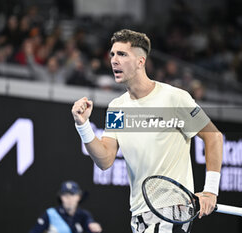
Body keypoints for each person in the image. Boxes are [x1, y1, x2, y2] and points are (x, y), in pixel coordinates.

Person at [71, 29, 223, 233]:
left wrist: (211, 191)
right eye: (112, 54)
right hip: (139, 214)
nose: (114, 60)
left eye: (122, 54)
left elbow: (213, 136)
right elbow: (105, 160)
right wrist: (83, 126)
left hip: (172, 211)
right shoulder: (117, 108)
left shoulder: (174, 99)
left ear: (141, 61)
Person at [29, 180, 102, 233]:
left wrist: (94, 227)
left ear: (79, 197)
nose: (69, 199)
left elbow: (90, 224)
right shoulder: (50, 214)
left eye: (72, 195)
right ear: (61, 197)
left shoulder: (84, 215)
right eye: (66, 195)